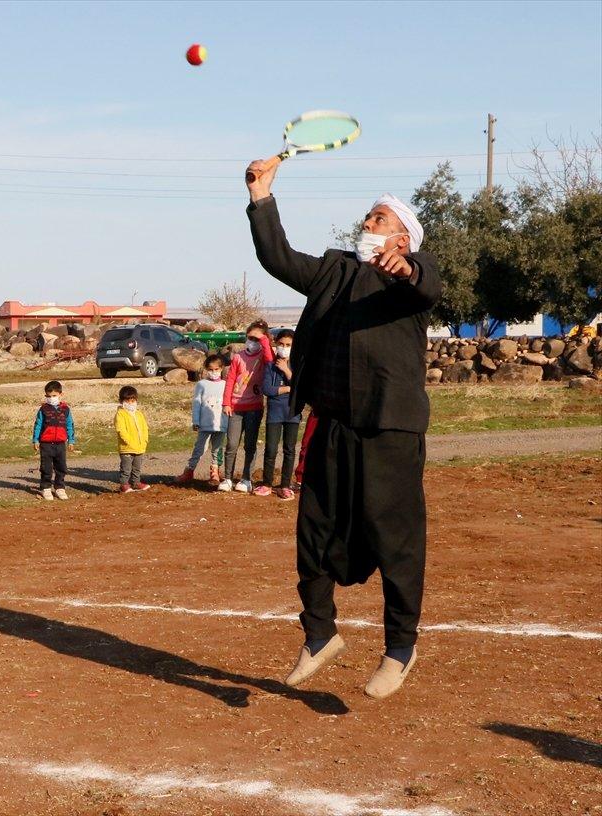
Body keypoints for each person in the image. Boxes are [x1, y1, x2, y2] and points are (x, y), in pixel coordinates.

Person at [245, 158, 442, 700]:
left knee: (394, 536)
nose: (369, 222)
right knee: (312, 532)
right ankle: (319, 634)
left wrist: (407, 268)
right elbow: (278, 257)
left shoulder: (409, 279)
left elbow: (427, 286)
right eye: (369, 215)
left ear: (403, 236)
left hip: (390, 429)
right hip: (332, 424)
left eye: (380, 217)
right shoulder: (335, 269)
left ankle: (400, 647)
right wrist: (262, 197)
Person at [219, 321, 273, 493]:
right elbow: (230, 381)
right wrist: (226, 402)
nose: (252, 341)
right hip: (235, 407)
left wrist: (263, 339)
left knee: (250, 445)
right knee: (232, 444)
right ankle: (227, 478)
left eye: (256, 338)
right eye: (250, 337)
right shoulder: (238, 357)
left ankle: (246, 478)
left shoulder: (263, 357)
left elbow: (270, 358)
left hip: (254, 407)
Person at [256, 330, 302, 500]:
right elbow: (267, 390)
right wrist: (290, 388)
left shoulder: (297, 365)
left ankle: (285, 485)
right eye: (281, 344)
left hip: (292, 413)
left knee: (289, 450)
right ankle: (267, 484)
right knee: (271, 449)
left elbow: (301, 388)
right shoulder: (269, 366)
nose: (284, 348)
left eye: (288, 345)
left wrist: (287, 372)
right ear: (276, 344)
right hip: (274, 414)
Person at [174, 353, 227, 485]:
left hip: (221, 424)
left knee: (217, 448)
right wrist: (196, 421)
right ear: (205, 369)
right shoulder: (201, 384)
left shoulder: (226, 384)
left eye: (216, 369)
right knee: (199, 448)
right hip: (204, 424)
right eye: (210, 369)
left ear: (221, 369)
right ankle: (189, 471)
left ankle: (215, 472)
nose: (213, 372)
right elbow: (197, 403)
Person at [31, 380, 75, 501]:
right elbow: (38, 425)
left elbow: (70, 425)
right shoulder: (43, 409)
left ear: (61, 394)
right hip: (46, 444)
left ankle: (60, 487)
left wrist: (71, 440)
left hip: (60, 443)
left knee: (61, 466)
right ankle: (45, 488)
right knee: (46, 467)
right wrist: (35, 440)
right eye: (48, 396)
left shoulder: (66, 409)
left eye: (54, 396)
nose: (51, 398)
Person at [114, 384, 150, 493]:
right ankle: (124, 484)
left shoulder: (139, 414)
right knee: (126, 469)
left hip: (139, 447)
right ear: (122, 401)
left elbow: (144, 428)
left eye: (133, 400)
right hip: (127, 448)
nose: (131, 403)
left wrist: (144, 440)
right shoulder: (120, 414)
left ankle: (136, 482)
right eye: (128, 400)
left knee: (137, 468)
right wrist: (129, 442)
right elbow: (121, 430)